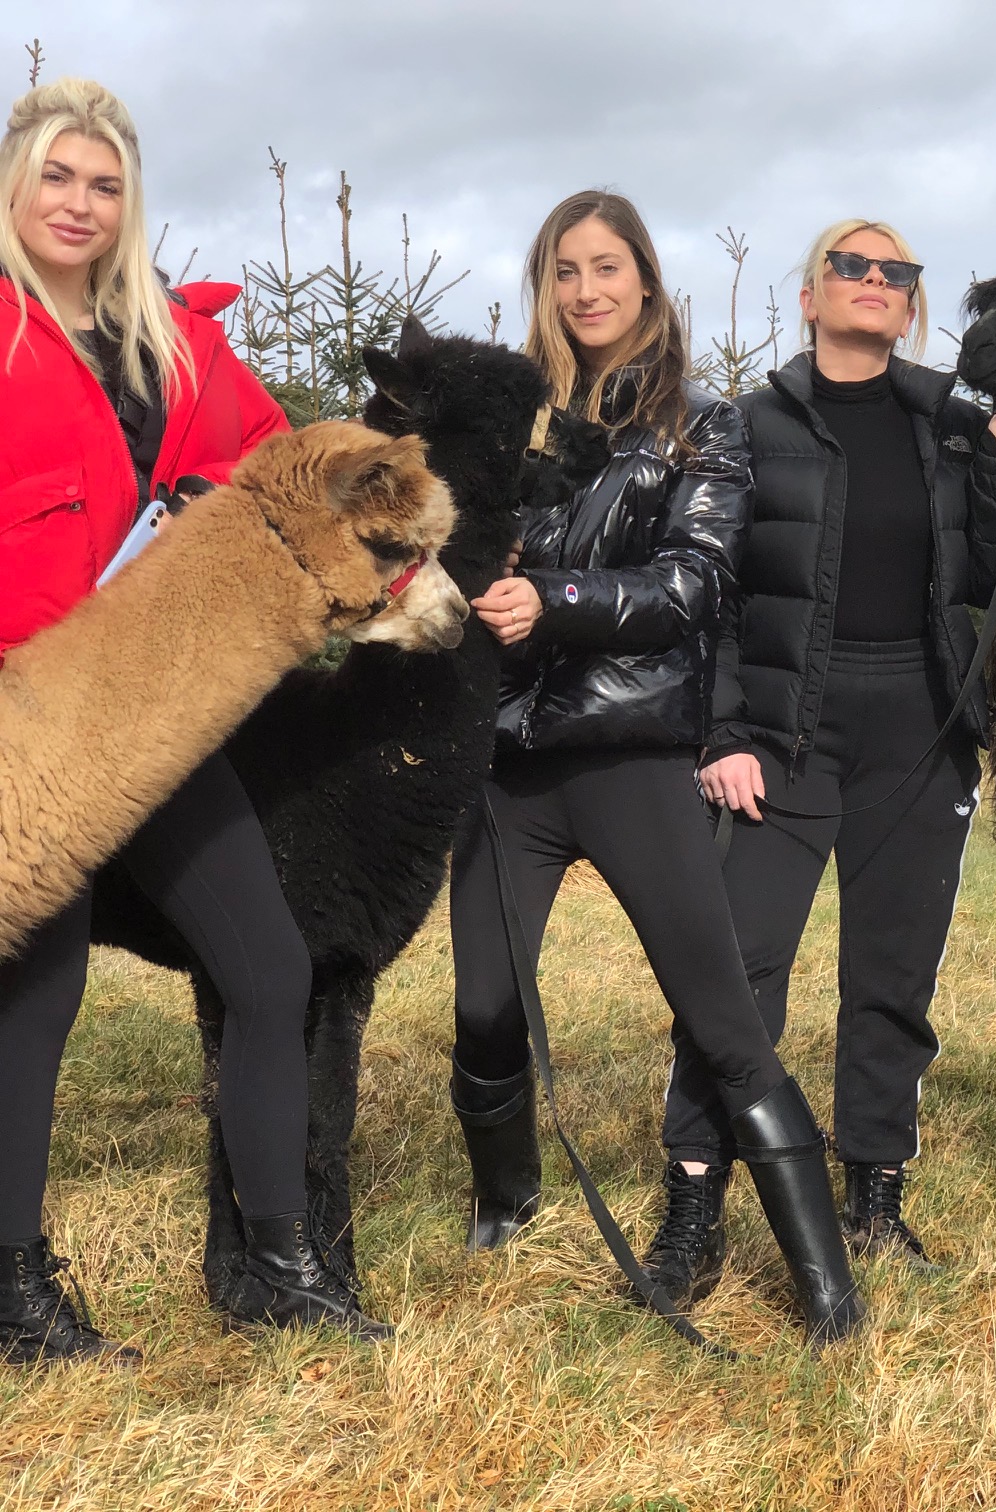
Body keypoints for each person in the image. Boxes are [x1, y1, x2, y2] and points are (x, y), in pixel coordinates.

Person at [0, 78, 388, 1366]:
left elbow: (281, 450)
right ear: (18, 185)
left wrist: (205, 499)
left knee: (268, 969)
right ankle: (13, 1290)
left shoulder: (168, 340)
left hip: (155, 710)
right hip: (27, 721)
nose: (81, 204)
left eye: (105, 185)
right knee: (33, 999)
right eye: (59, 176)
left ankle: (278, 1265)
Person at [447, 190, 860, 1344]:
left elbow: (697, 585)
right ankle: (508, 1196)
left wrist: (557, 599)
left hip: (632, 750)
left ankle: (826, 1285)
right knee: (484, 1008)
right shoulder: (512, 423)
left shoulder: (700, 426)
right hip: (511, 762)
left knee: (724, 1020)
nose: (586, 291)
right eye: (564, 271)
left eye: (606, 267)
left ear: (645, 279)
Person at [649, 218, 996, 1285]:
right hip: (785, 733)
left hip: (918, 727)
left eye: (895, 273)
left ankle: (875, 1197)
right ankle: (694, 1199)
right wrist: (726, 732)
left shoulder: (954, 429)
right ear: (811, 297)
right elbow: (713, 590)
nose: (873, 281)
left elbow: (993, 573)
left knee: (893, 974)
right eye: (850, 267)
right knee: (741, 971)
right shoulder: (750, 424)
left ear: (911, 306)